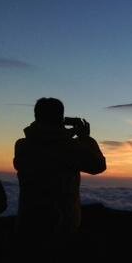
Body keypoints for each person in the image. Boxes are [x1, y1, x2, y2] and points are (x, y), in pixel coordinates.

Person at [13, 97, 106, 235]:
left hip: (28, 223)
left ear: (36, 116)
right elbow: (98, 166)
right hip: (62, 227)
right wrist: (85, 137)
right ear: (60, 118)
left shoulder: (22, 145)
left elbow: (46, 137)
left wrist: (63, 129)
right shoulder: (70, 148)